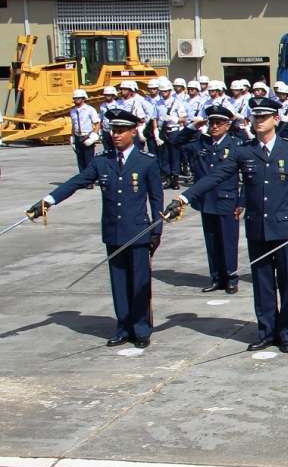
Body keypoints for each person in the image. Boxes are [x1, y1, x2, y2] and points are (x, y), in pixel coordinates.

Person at [166, 97, 288, 354]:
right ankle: (266, 331)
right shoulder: (244, 151)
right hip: (257, 227)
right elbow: (216, 176)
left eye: (264, 117)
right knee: (262, 282)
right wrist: (184, 197)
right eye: (255, 117)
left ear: (275, 120)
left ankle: (286, 332)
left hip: (284, 229)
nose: (258, 121)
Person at [25, 109, 164, 349]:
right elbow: (75, 183)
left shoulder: (146, 161)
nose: (116, 135)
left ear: (133, 131)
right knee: (119, 283)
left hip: (138, 232)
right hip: (113, 231)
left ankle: (141, 328)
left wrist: (156, 230)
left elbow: (156, 199)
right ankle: (123, 327)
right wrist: (48, 201)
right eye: (113, 131)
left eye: (121, 131)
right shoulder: (103, 161)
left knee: (139, 282)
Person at [174, 105, 243, 294]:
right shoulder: (201, 143)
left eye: (218, 123)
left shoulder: (236, 144)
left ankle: (231, 277)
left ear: (227, 125)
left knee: (228, 241)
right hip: (206, 200)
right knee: (211, 241)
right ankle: (216, 277)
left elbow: (248, 175)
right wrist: (192, 126)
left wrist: (242, 201)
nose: (214, 126)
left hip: (227, 199)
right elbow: (174, 142)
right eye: (211, 122)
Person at [68, 89, 101, 175]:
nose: (76, 100)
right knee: (80, 159)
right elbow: (73, 125)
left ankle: (90, 179)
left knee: (89, 160)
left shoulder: (90, 110)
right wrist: (72, 137)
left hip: (87, 136)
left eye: (78, 98)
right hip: (77, 136)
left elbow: (97, 123)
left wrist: (93, 136)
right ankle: (83, 178)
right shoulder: (73, 111)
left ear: (83, 99)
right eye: (75, 98)